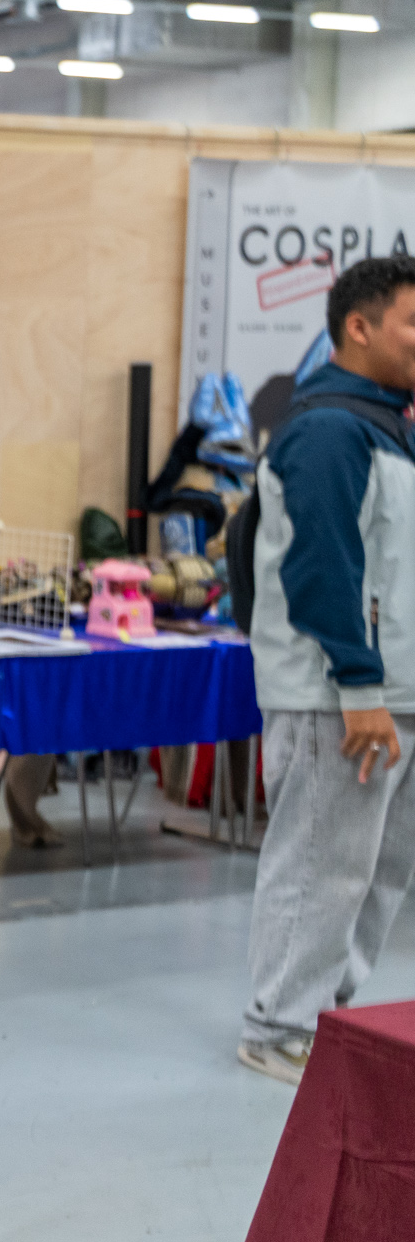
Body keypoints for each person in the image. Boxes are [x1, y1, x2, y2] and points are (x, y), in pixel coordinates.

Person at [239, 254, 415, 1086]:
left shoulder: (389, 429)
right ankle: (278, 1026)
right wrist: (360, 686)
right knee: (319, 864)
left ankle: (326, 1017)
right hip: (337, 699)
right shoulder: (327, 432)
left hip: (395, 693)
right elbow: (324, 569)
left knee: (376, 874)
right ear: (359, 326)